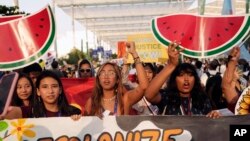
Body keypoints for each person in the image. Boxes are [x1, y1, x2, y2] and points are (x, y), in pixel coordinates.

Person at [144, 42, 220, 118]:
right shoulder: (167, 97)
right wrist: (171, 65)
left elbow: (209, 120)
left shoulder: (202, 99)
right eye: (181, 75)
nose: (186, 79)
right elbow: (149, 95)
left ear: (195, 79)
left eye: (190, 75)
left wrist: (213, 115)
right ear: (174, 79)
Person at [84, 41, 149, 116]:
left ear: (118, 79)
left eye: (111, 73)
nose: (106, 76)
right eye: (102, 73)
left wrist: (134, 54)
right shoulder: (92, 102)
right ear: (98, 78)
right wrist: (74, 119)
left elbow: (144, 86)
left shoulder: (125, 100)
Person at [2, 70, 81, 119]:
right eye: (45, 87)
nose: (50, 91)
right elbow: (6, 114)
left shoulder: (73, 111)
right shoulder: (29, 112)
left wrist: (78, 121)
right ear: (38, 91)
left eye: (54, 86)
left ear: (60, 90)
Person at [222, 47, 249, 113]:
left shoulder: (243, 79)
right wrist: (233, 59)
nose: (236, 68)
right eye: (234, 66)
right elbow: (227, 87)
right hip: (235, 116)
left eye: (237, 66)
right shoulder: (226, 81)